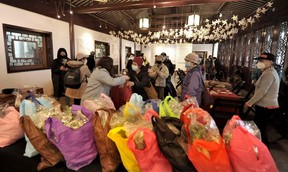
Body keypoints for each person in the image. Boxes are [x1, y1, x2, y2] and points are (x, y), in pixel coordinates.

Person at [245, 52, 280, 147]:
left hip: (266, 106)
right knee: (259, 128)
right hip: (265, 105)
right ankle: (260, 149)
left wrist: (250, 102)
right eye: (259, 60)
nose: (259, 63)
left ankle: (264, 150)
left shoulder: (269, 74)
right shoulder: (268, 72)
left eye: (262, 61)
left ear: (270, 62)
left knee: (260, 129)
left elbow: (262, 92)